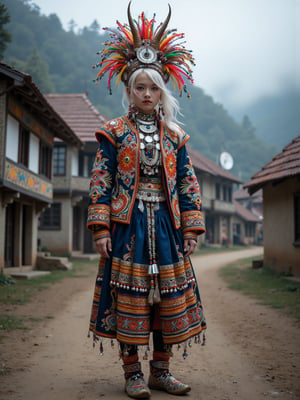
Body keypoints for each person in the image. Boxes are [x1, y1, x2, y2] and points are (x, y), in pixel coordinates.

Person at [87, 2, 207, 398]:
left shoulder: (175, 137)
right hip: (128, 226)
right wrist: (102, 227)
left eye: (154, 87)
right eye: (139, 86)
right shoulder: (114, 132)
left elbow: (188, 184)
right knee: (129, 295)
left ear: (161, 93)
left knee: (167, 298)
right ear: (128, 89)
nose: (146, 93)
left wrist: (191, 226)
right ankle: (132, 374)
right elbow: (101, 180)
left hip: (168, 228)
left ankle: (160, 370)